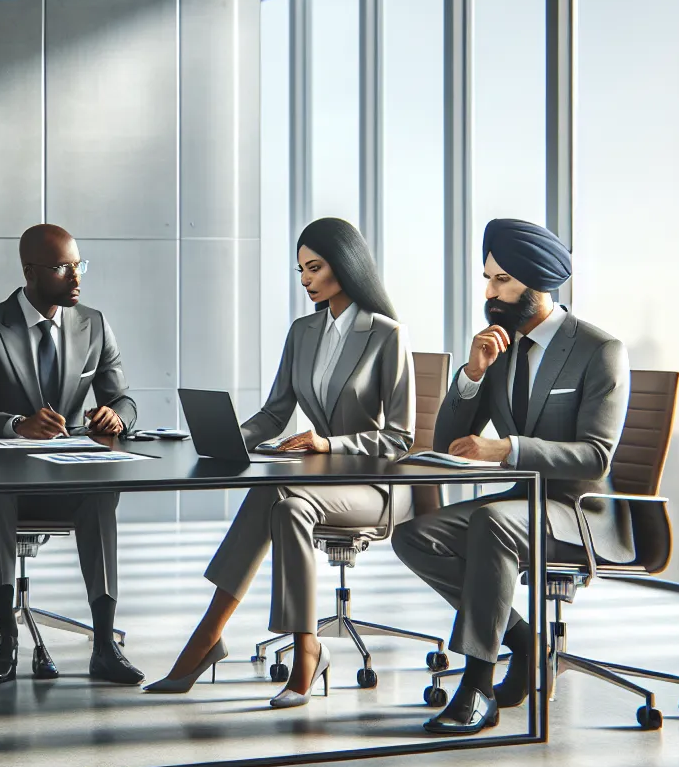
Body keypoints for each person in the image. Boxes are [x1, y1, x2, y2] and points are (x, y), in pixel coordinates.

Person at [146, 218, 415, 707]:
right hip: (309, 489)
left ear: (346, 268)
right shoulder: (303, 331)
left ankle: (208, 639)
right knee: (285, 504)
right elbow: (275, 412)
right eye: (301, 271)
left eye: (315, 268)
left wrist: (329, 445)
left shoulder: (385, 335)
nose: (306, 280)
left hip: (371, 489)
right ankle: (305, 645)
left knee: (279, 495)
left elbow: (399, 439)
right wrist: (231, 438)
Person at [392, 218, 630, 736]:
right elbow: (446, 440)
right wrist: (473, 374)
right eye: (487, 278)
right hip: (523, 503)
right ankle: (524, 642)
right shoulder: (500, 347)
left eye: (502, 280)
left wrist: (507, 448)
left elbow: (595, 457)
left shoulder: (598, 350)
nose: (489, 292)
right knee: (414, 536)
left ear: (538, 281)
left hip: (579, 513)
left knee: (493, 524)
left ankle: (478, 684)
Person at [0, 224, 144, 686]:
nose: (76, 277)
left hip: (64, 481)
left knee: (102, 493)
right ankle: (6, 638)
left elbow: (125, 400)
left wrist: (115, 419)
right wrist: (18, 426)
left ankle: (103, 643)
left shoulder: (93, 324)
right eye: (63, 268)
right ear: (29, 272)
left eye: (79, 266)